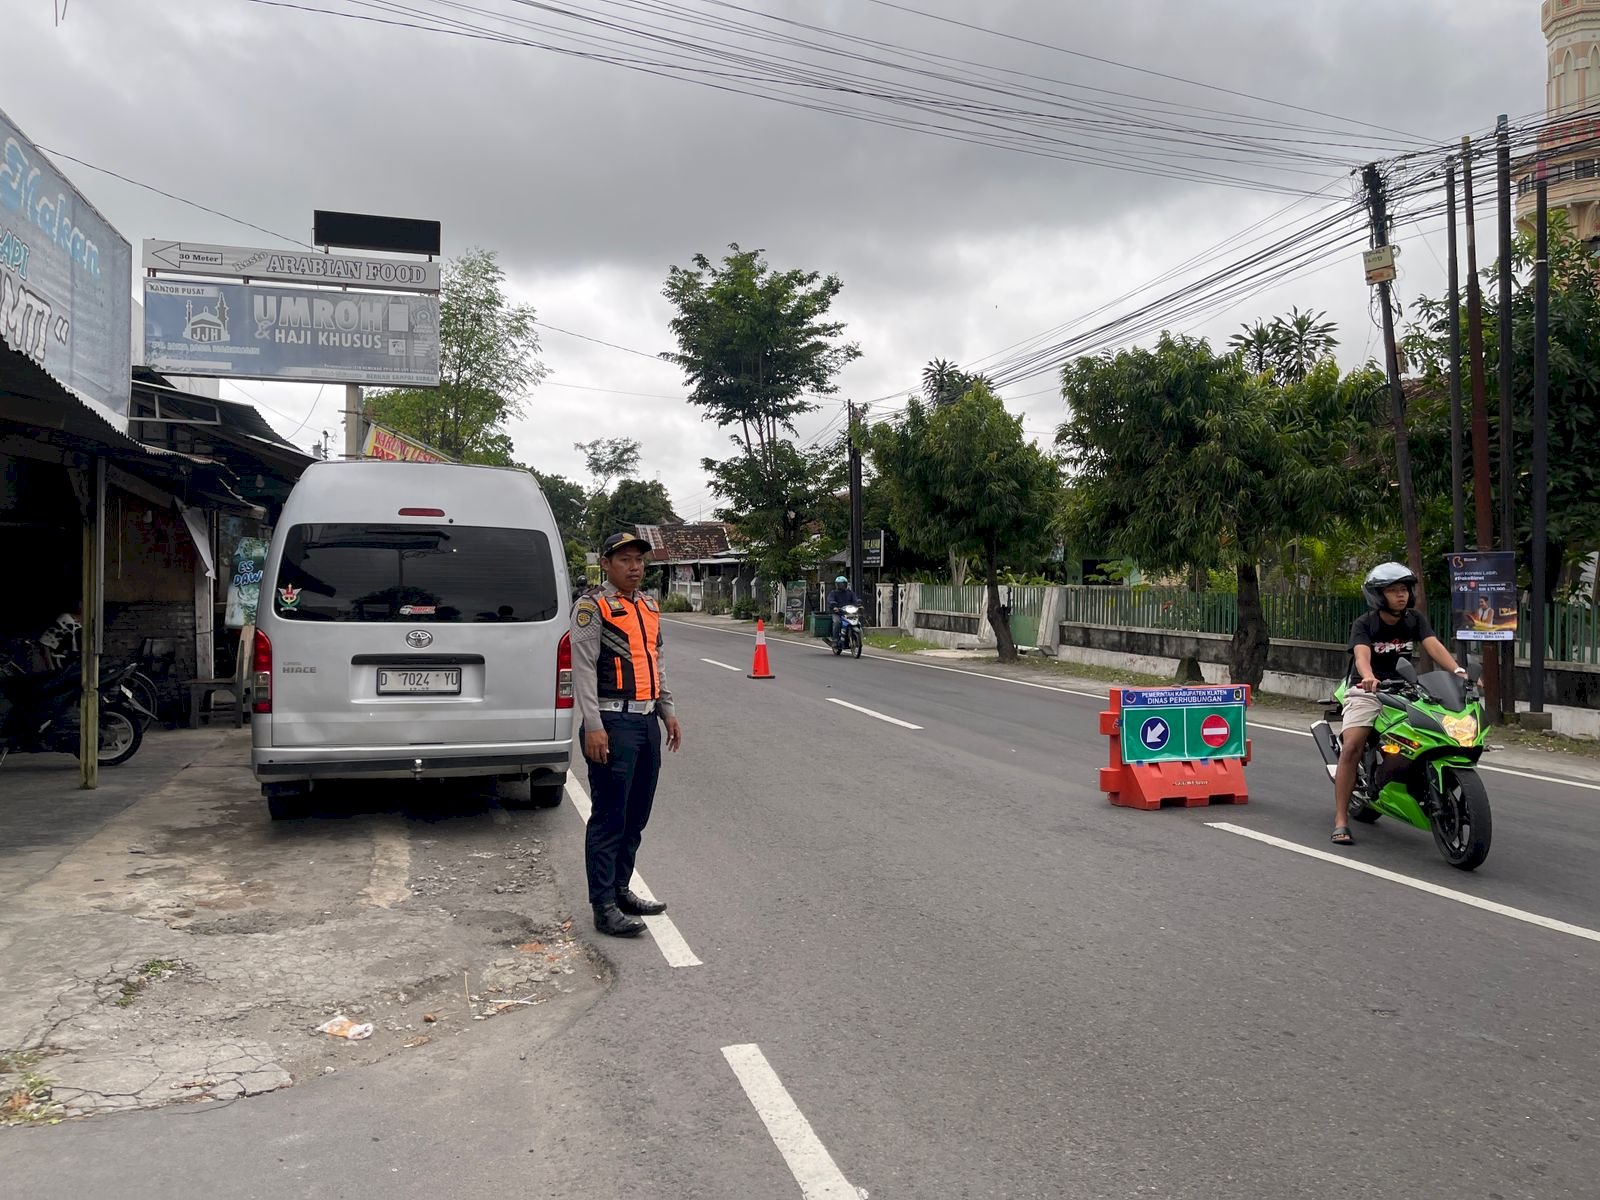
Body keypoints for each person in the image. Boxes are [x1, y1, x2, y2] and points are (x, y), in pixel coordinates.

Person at [570, 532, 683, 937]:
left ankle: (621, 889)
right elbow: (582, 669)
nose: (634, 567)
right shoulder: (591, 606)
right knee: (609, 816)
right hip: (611, 722)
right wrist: (593, 725)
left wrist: (667, 710)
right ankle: (602, 905)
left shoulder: (649, 606)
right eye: (625, 560)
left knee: (636, 814)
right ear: (606, 564)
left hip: (646, 721)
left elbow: (657, 660)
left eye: (639, 560)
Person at [1331, 563, 1467, 848]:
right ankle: (1341, 820)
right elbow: (1361, 656)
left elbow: (1433, 646)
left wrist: (1457, 671)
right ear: (1378, 595)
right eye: (1393, 591)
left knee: (1433, 730)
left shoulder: (1414, 620)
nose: (1401, 596)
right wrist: (1368, 677)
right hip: (1366, 689)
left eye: (1404, 590)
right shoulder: (1365, 624)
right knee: (1353, 745)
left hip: (1406, 688)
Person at [826, 575, 857, 650]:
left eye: (843, 584)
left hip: (848, 612)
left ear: (846, 584)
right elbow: (830, 600)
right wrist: (834, 605)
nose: (841, 586)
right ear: (836, 585)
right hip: (837, 613)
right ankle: (835, 640)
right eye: (839, 584)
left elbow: (855, 599)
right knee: (837, 623)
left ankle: (855, 637)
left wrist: (858, 603)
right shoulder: (833, 593)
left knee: (856, 622)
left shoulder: (849, 592)